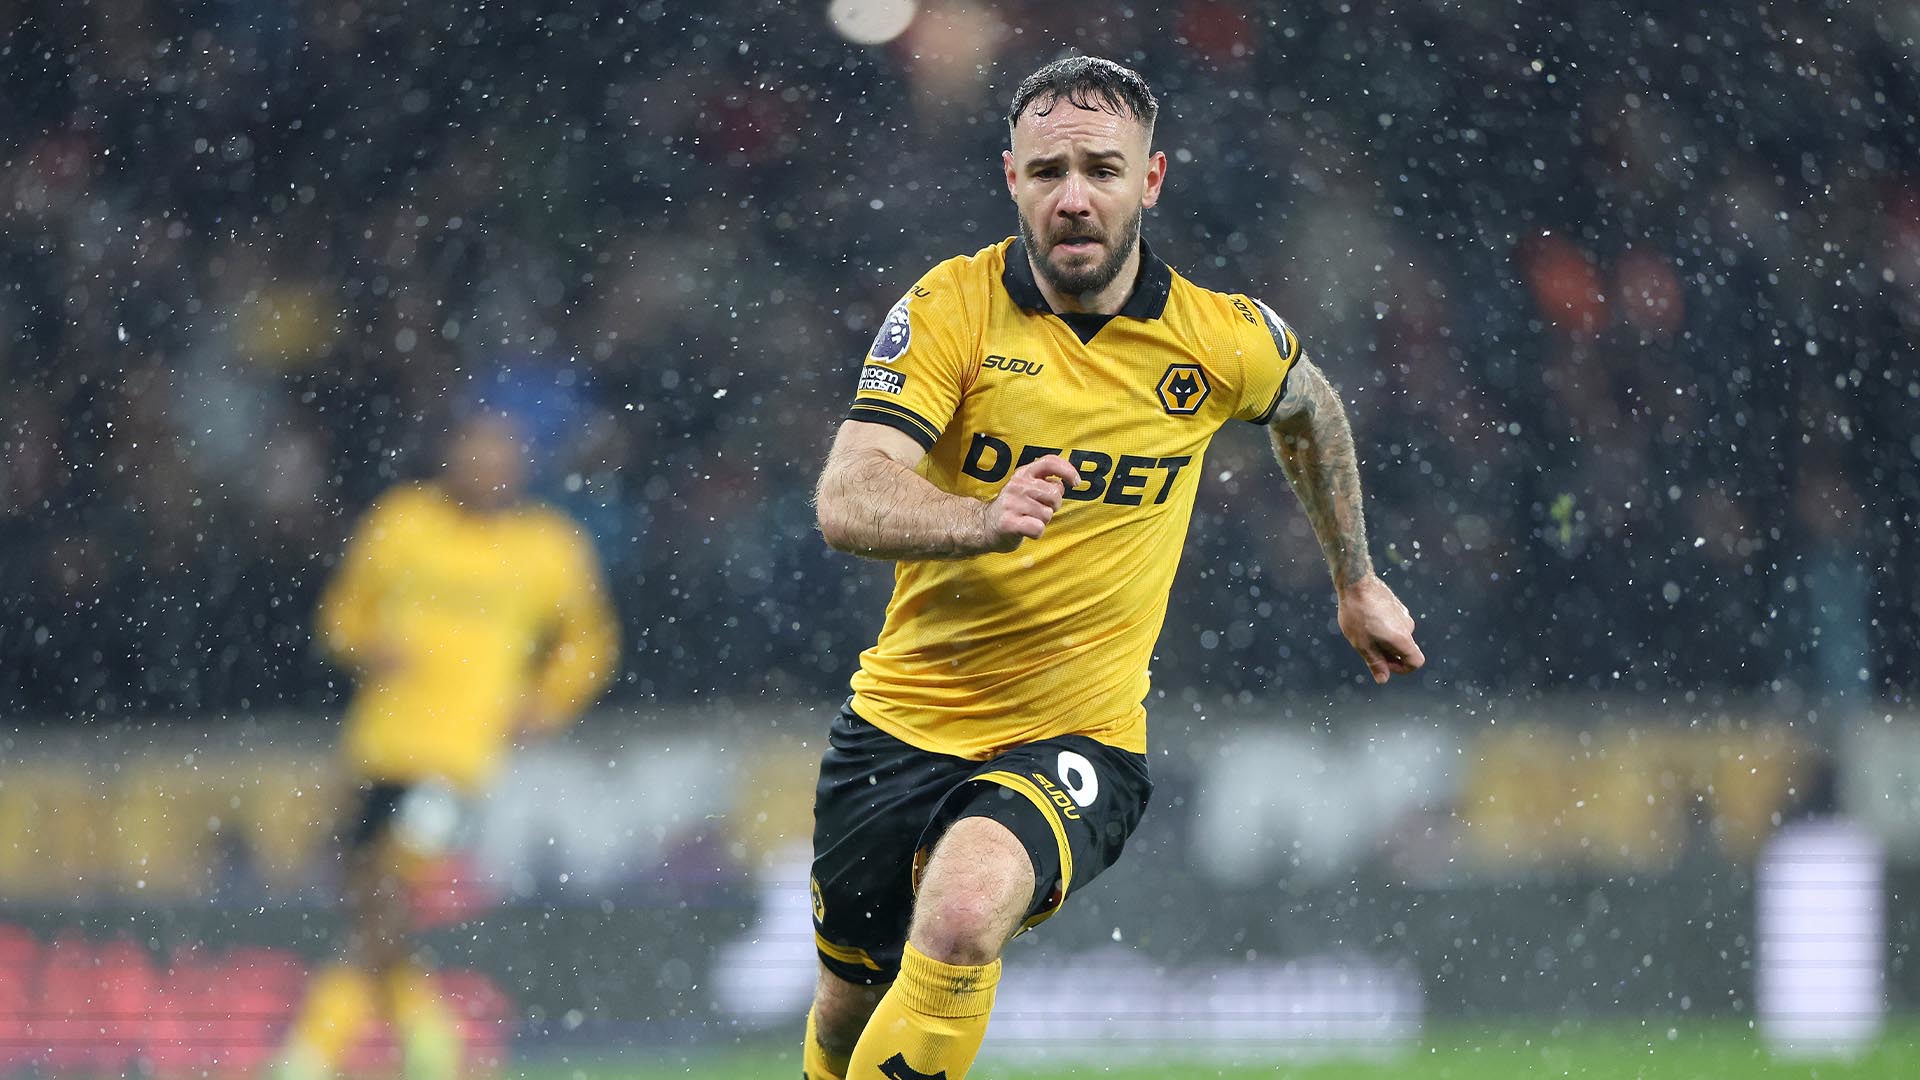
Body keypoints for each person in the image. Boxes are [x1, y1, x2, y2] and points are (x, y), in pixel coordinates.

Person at [805, 55, 1424, 1080]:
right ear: (1013, 180)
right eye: (1049, 172)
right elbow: (846, 494)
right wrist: (977, 519)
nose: (1075, 198)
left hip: (1078, 736)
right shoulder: (952, 308)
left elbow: (1311, 409)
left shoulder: (1218, 338)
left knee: (961, 915)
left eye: (1102, 168)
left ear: (1152, 179)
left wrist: (1354, 578)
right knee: (843, 1012)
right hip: (900, 725)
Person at [275, 412, 619, 1079]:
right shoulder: (404, 521)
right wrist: (368, 645)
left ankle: (312, 1055)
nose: (486, 470)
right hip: (377, 747)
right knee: (371, 904)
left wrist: (546, 703)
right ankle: (429, 1036)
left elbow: (591, 642)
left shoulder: (547, 546)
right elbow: (340, 616)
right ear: (450, 459)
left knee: (385, 893)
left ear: (520, 467)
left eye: (499, 458)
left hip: (458, 760)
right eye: (475, 455)